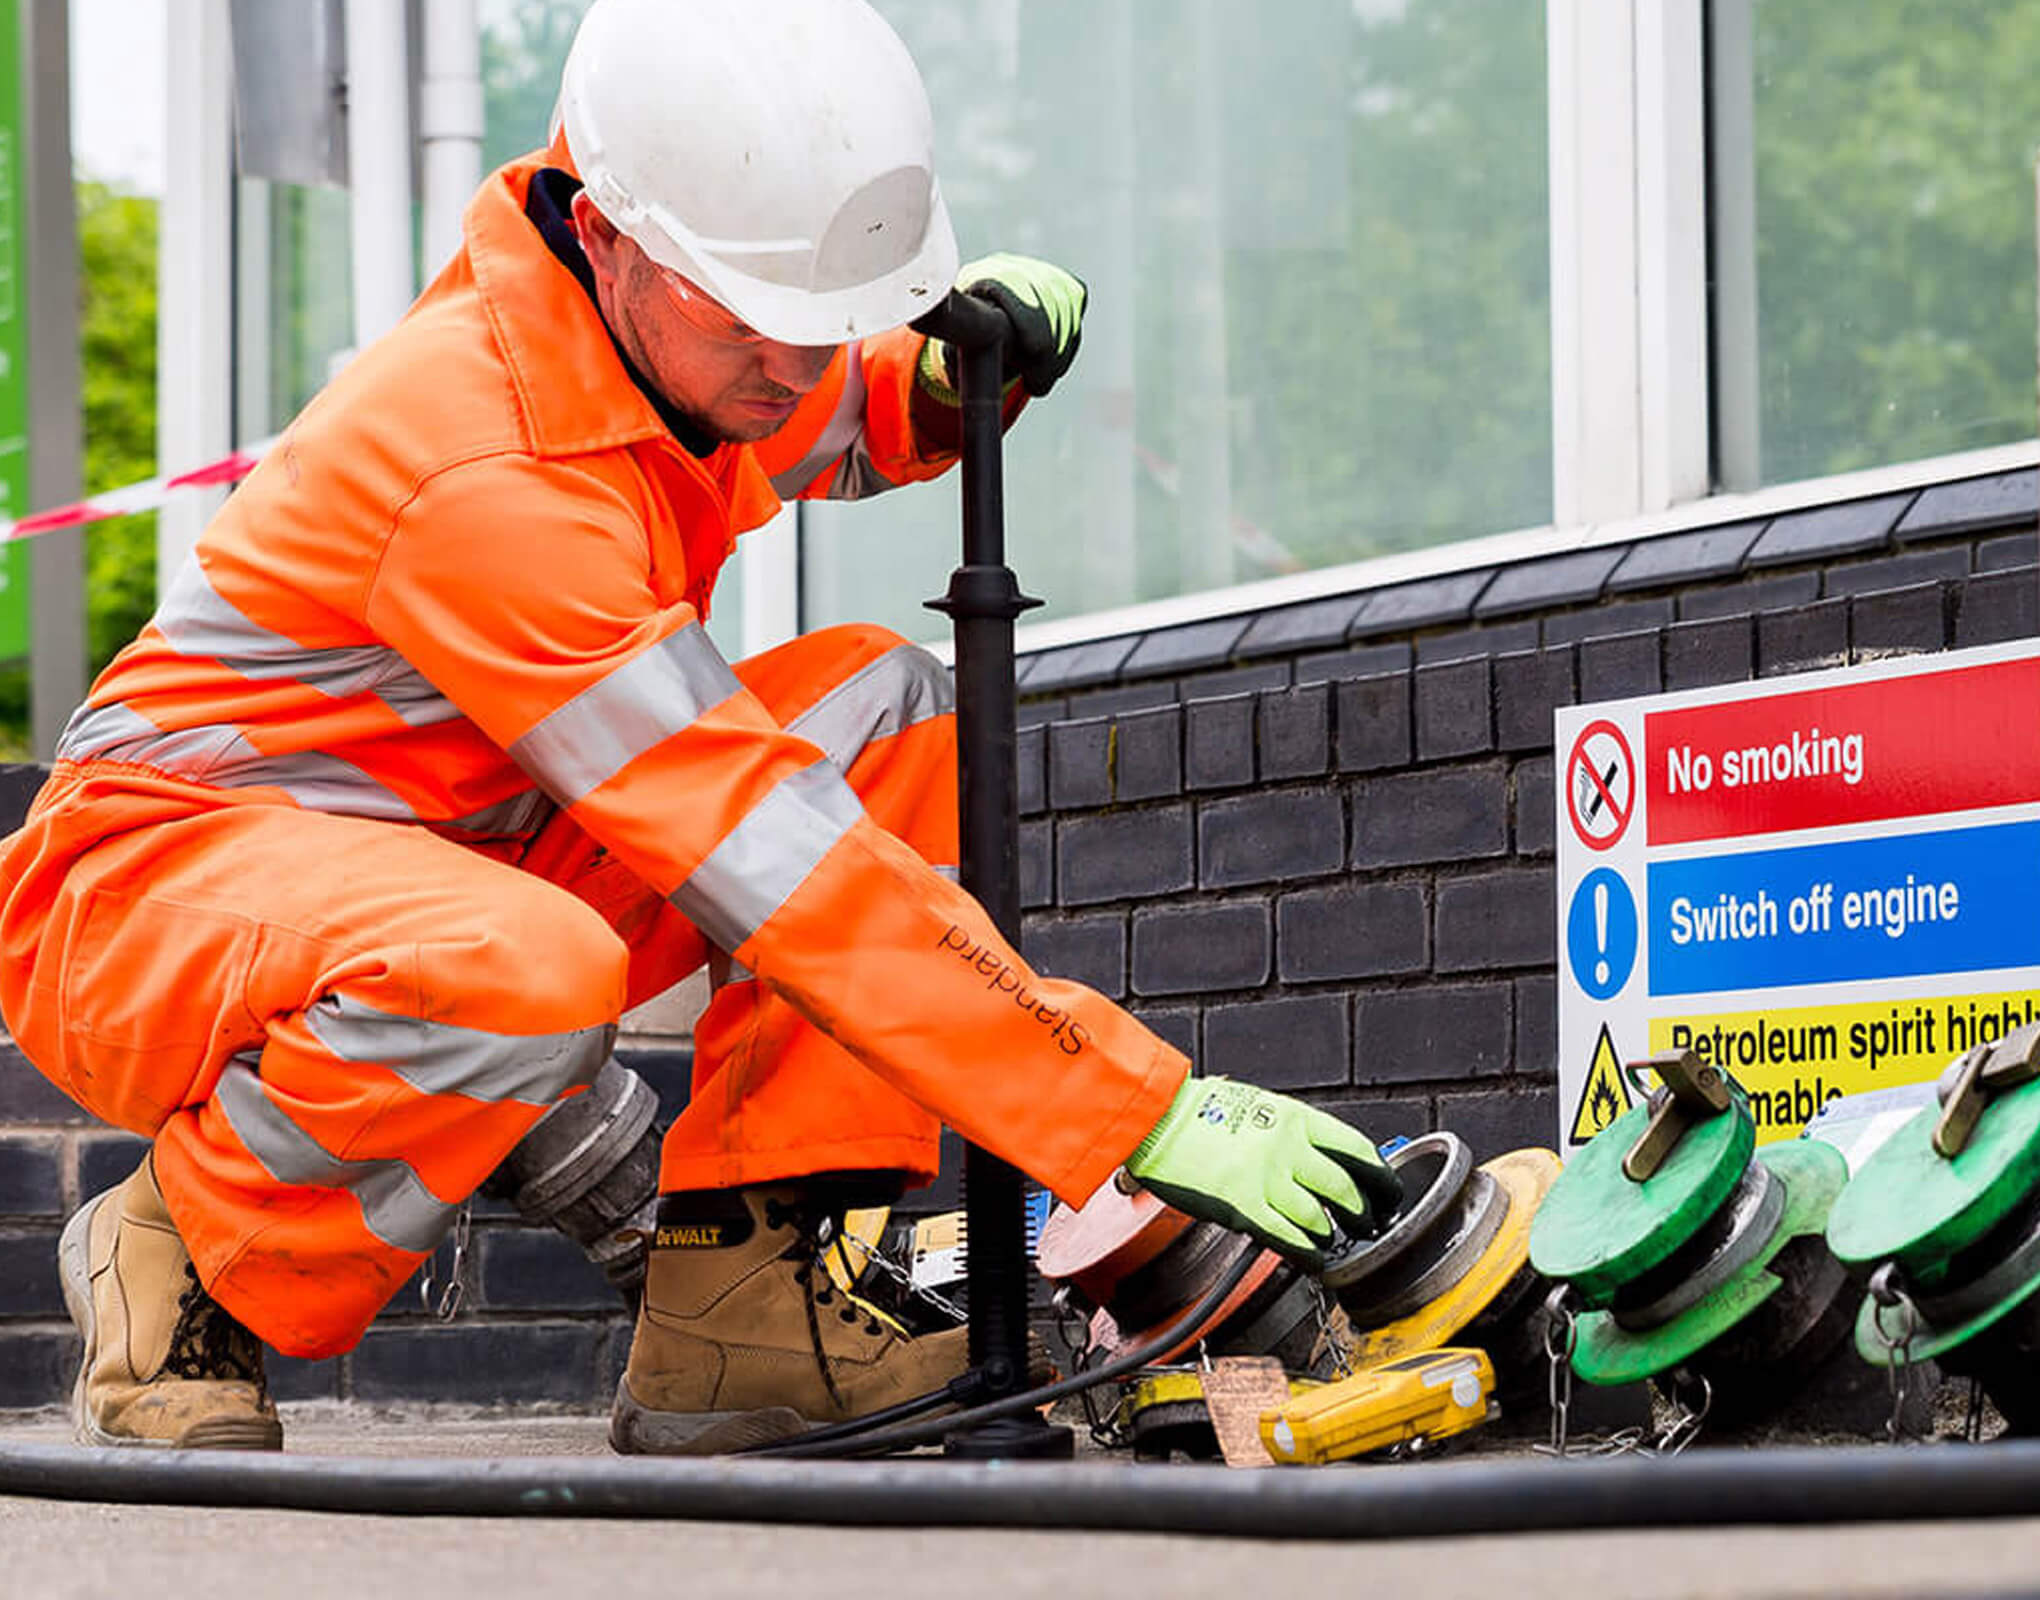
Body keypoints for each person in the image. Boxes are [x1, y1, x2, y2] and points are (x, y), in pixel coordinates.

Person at [0, 0, 1400, 1456]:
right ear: (607, 234)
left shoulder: (668, 331)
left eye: (819, 324)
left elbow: (805, 416)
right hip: (148, 888)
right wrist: (1121, 1105)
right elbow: (765, 853)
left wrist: (921, 386)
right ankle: (185, 1248)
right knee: (536, 960)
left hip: (460, 861)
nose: (792, 365)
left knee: (883, 702)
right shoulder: (483, 455)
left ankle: (750, 1305)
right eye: (759, 322)